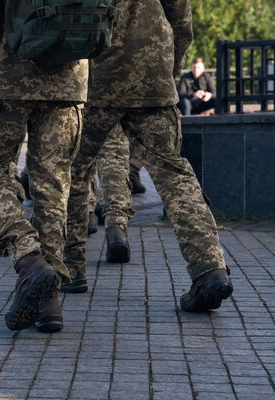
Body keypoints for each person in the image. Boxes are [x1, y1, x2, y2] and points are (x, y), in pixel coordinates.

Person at [64, 0, 233, 313]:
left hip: (93, 74)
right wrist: (169, 69)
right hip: (152, 71)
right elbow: (181, 19)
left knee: (75, 168)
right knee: (173, 173)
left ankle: (72, 267)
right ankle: (210, 268)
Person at [0, 0, 89, 332]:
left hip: (7, 76)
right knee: (53, 185)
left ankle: (29, 259)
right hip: (69, 76)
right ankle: (49, 302)